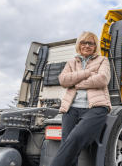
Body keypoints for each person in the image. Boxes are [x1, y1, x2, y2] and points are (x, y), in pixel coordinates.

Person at [50, 32, 112, 166]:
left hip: (95, 108)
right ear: (79, 45)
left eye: (91, 43)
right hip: (71, 108)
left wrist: (76, 82)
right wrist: (87, 73)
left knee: (76, 137)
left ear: (95, 46)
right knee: (68, 146)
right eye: (84, 42)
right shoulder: (71, 62)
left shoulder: (103, 60)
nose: (87, 46)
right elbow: (63, 80)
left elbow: (102, 79)